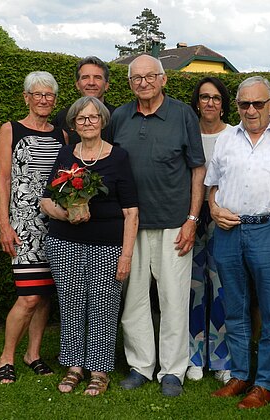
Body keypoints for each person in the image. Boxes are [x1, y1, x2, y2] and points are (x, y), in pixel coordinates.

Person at [109, 54, 206, 397]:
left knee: (173, 300)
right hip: (130, 224)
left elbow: (197, 168)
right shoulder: (120, 117)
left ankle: (172, 371)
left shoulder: (182, 114)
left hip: (174, 223)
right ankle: (140, 366)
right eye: (137, 78)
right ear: (129, 83)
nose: (144, 83)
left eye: (151, 76)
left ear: (164, 79)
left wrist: (192, 219)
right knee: (134, 300)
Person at [206, 76, 270, 409]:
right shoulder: (226, 139)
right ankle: (241, 374)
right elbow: (212, 186)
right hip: (229, 231)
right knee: (235, 309)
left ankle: (265, 383)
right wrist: (213, 209)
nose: (250, 110)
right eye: (244, 104)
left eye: (257, 103)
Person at [41, 96, 139, 396]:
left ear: (102, 121)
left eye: (93, 117)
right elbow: (46, 200)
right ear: (73, 124)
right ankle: (74, 367)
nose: (87, 123)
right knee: (70, 303)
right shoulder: (65, 154)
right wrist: (65, 214)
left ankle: (99, 370)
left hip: (107, 245)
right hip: (64, 243)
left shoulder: (118, 157)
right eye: (81, 118)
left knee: (103, 306)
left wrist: (126, 255)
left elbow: (131, 211)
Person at [0, 71, 67, 383]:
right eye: (37, 94)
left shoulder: (61, 135)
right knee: (29, 297)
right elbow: (3, 179)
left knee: (44, 294)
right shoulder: (10, 130)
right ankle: (6, 357)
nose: (43, 100)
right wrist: (4, 225)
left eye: (49, 95)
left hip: (55, 226)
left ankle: (33, 354)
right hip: (23, 227)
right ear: (26, 98)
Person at [185, 77, 233, 384]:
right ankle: (193, 357)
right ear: (197, 102)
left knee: (221, 290)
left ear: (223, 104)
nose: (210, 102)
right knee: (193, 290)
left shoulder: (234, 135)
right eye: (204, 97)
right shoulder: (187, 134)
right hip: (191, 217)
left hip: (223, 220)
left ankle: (222, 359)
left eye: (216, 97)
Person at [51, 56, 115, 144]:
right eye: (85, 77)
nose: (91, 83)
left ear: (106, 85)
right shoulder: (63, 117)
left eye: (97, 77)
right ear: (77, 85)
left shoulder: (117, 117)